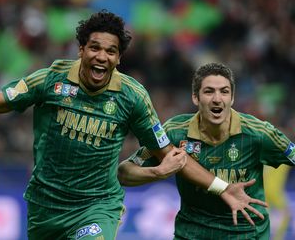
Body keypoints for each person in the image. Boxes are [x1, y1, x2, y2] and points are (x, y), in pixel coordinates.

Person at [0, 10, 266, 240]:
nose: (102, 56)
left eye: (111, 51)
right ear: (81, 50)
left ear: (118, 58)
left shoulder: (132, 97)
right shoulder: (49, 81)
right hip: (44, 209)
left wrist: (221, 187)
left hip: (97, 206)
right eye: (95, 47)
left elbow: (171, 152)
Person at [118, 62, 295, 239]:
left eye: (224, 92)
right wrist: (158, 171)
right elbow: (124, 172)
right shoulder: (174, 132)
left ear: (232, 98)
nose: (217, 99)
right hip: (192, 235)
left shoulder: (259, 134)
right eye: (209, 91)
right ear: (195, 97)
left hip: (247, 234)